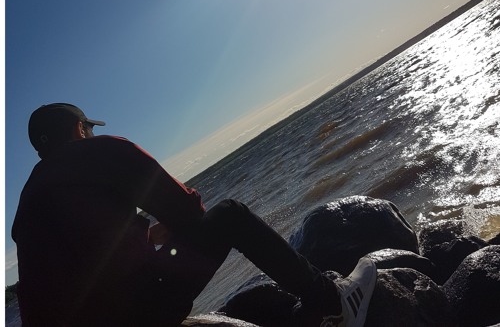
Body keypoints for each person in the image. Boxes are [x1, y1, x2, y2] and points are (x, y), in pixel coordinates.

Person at [12, 103, 377, 327]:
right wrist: (174, 223)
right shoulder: (100, 151)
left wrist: (145, 234)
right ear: (79, 129)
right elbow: (187, 210)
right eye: (89, 128)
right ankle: (332, 304)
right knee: (230, 215)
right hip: (137, 316)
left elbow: (77, 260)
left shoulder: (29, 200)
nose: (92, 133)